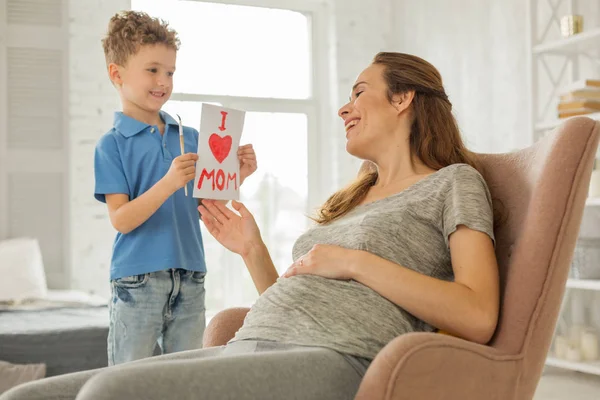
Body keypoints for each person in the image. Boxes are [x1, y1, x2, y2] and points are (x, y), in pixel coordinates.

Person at [0, 52, 498, 400]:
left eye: (360, 92)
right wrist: (253, 250)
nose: (345, 107)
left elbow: (477, 315)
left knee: (111, 392)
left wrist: (352, 261)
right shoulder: (352, 200)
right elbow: (298, 298)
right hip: (253, 343)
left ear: (403, 98)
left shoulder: (453, 183)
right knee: (30, 396)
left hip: (338, 356)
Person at [94, 11, 257, 365]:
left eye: (169, 72)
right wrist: (168, 183)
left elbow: (207, 204)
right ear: (116, 74)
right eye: (152, 70)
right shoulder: (112, 145)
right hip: (137, 279)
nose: (163, 81)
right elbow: (121, 219)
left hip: (191, 275)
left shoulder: (192, 137)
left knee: (186, 377)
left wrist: (237, 175)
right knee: (127, 379)